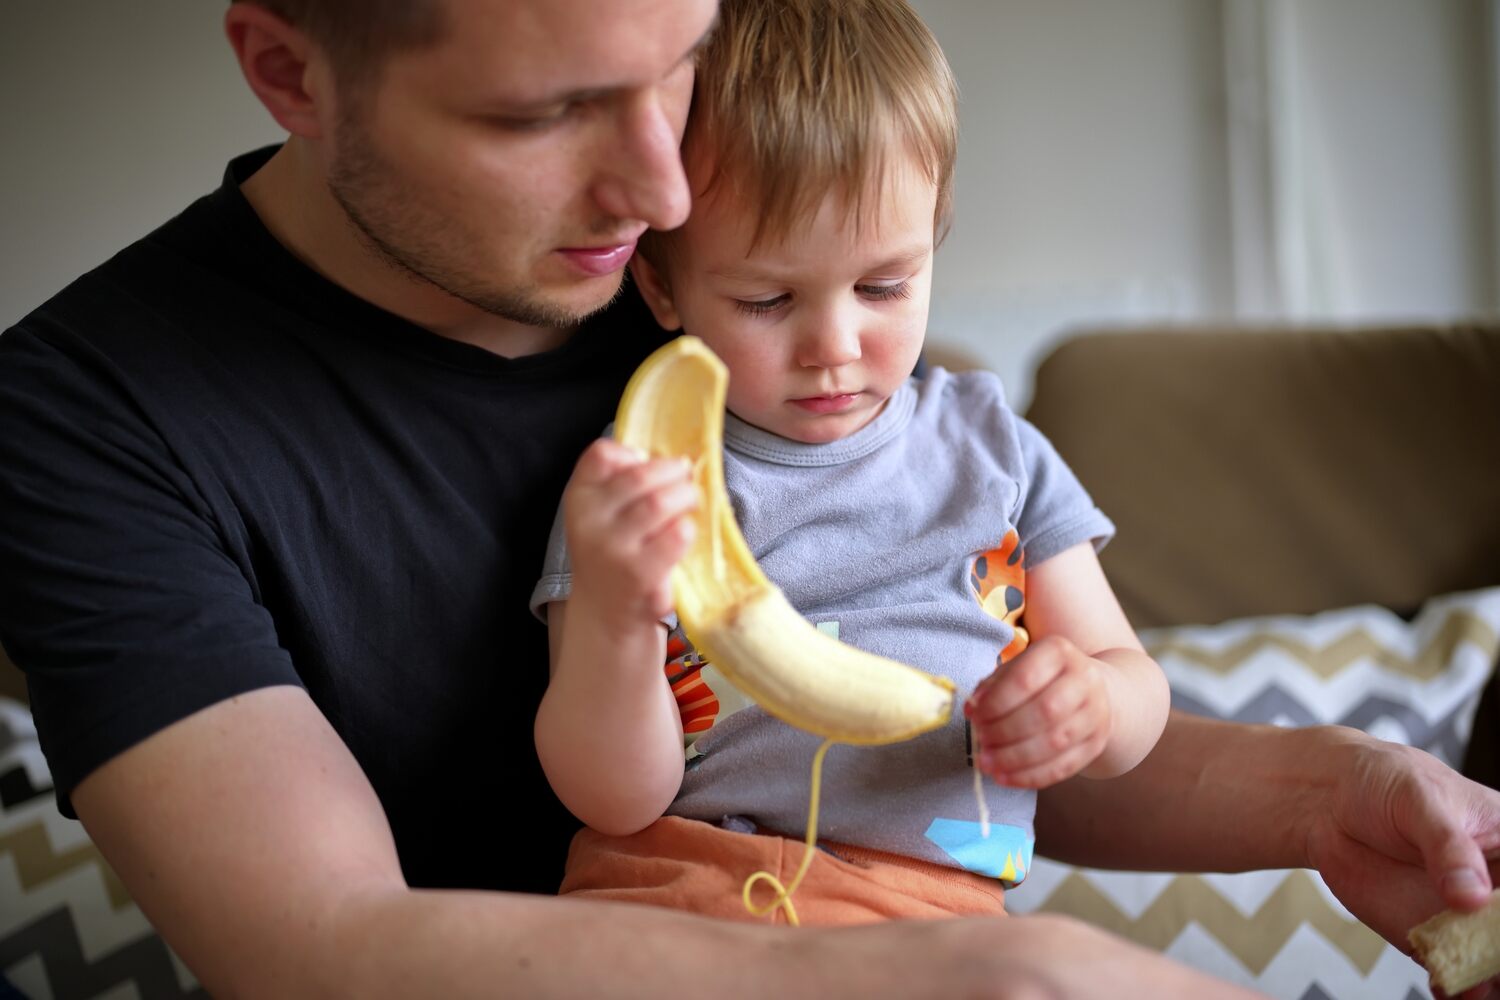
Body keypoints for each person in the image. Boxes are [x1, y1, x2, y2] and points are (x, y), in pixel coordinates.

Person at [0, 0, 1492, 996]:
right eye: (552, 112)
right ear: (289, 70)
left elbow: (955, 698)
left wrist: (1327, 790)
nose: (664, 182)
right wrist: (949, 977)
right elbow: (318, 944)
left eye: (681, 61)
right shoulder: (89, 417)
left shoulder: (762, 284)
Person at [531, 0, 1171, 926]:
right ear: (662, 283)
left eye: (883, 286)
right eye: (766, 298)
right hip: (693, 895)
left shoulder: (998, 454)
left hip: (939, 916)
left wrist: (1097, 704)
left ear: (935, 240)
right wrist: (619, 621)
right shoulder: (644, 483)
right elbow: (613, 799)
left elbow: (1131, 679)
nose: (833, 345)